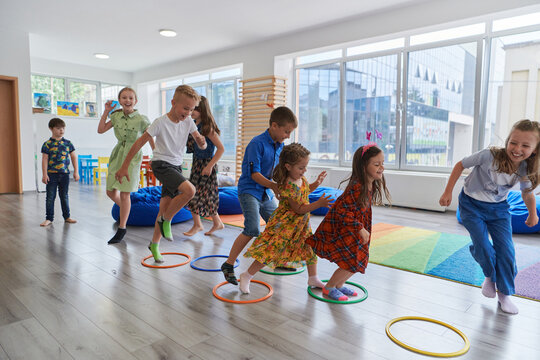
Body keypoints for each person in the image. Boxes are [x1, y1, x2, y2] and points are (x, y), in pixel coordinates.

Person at [439, 119, 540, 314]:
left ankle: (504, 294)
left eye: (525, 145)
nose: (517, 148)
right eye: (513, 142)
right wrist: (447, 192)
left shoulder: (525, 168)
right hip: (471, 205)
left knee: (507, 252)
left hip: (499, 209)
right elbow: (460, 165)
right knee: (484, 248)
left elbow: (527, 193)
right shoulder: (489, 156)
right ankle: (490, 276)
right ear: (508, 140)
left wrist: (532, 214)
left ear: (534, 150)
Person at [115, 85, 207, 262]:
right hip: (161, 164)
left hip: (176, 166)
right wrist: (124, 166)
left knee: (164, 205)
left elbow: (200, 144)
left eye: (192, 109)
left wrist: (202, 142)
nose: (189, 113)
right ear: (173, 103)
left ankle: (154, 244)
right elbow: (138, 143)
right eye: (185, 108)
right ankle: (167, 220)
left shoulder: (188, 122)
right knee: (190, 191)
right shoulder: (160, 122)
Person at [238, 143, 332, 293]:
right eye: (301, 168)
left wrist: (316, 184)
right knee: (271, 251)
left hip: (301, 225)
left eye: (305, 167)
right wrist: (318, 204)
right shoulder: (289, 184)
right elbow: (299, 209)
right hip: (286, 225)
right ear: (288, 167)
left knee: (310, 246)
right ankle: (247, 275)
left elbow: (305, 191)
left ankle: (313, 277)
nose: (304, 170)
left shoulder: (300, 178)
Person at [221, 106, 298, 285]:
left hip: (265, 192)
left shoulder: (280, 146)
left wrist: (283, 186)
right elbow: (254, 174)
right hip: (249, 190)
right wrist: (274, 186)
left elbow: (279, 172)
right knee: (253, 229)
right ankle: (228, 264)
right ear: (274, 126)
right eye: (286, 131)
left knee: (281, 225)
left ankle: (279, 259)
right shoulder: (257, 144)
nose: (288, 135)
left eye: (290, 132)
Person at [306, 145, 390, 301]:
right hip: (346, 227)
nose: (382, 168)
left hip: (354, 227)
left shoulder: (369, 183)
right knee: (352, 261)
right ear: (364, 167)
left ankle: (339, 285)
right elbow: (343, 212)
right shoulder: (357, 187)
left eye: (382, 163)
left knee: (359, 259)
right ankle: (330, 287)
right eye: (377, 164)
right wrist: (360, 229)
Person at [98, 87, 154, 244]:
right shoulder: (115, 116)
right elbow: (101, 130)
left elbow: (149, 137)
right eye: (124, 98)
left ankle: (122, 228)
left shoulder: (142, 119)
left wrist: (156, 154)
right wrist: (106, 111)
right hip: (117, 154)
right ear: (119, 100)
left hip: (133, 155)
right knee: (110, 191)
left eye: (131, 98)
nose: (127, 100)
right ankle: (127, 209)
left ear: (136, 101)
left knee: (124, 193)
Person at [183, 96, 225, 236]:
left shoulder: (207, 128)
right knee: (206, 196)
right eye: (191, 108)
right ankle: (217, 223)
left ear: (203, 110)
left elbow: (221, 149)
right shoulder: (193, 125)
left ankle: (197, 225)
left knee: (194, 194)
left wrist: (209, 166)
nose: (193, 111)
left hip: (206, 166)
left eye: (196, 108)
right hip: (196, 164)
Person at [40, 118, 79, 226]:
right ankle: (49, 218)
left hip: (65, 174)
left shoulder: (68, 143)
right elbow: (44, 159)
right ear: (51, 129)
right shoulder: (47, 144)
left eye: (63, 128)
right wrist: (44, 174)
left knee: (64, 196)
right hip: (51, 174)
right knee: (50, 196)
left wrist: (76, 171)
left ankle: (67, 217)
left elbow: (74, 157)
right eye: (58, 128)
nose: (61, 130)